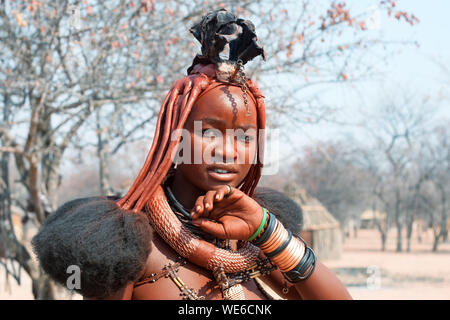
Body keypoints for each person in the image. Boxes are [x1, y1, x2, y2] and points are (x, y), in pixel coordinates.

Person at [32, 9, 351, 300]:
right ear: (176, 135)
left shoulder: (257, 240)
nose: (227, 151)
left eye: (244, 137)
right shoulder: (130, 245)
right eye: (209, 133)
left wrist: (267, 230)